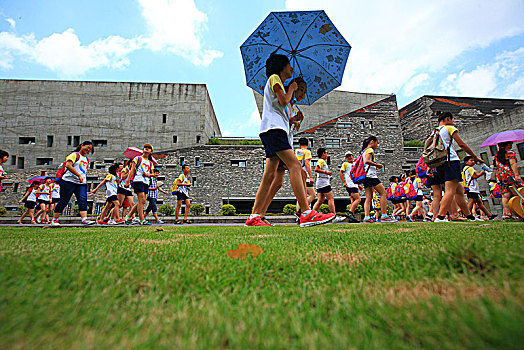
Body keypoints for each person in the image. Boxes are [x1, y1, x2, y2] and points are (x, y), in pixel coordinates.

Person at [245, 51, 334, 227]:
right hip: (274, 130)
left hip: (272, 130)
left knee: (270, 176)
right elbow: (284, 100)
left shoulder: (276, 82)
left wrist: (292, 120)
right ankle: (306, 212)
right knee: (296, 167)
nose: (291, 68)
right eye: (289, 65)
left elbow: (280, 106)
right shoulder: (274, 79)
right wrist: (291, 88)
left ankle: (254, 216)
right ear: (282, 66)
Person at [428, 112, 484, 222]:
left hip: (440, 163)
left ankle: (470, 216)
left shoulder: (434, 131)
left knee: (459, 190)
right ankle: (440, 217)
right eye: (452, 120)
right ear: (448, 118)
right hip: (451, 161)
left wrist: (430, 165)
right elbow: (461, 144)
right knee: (450, 191)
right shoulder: (449, 128)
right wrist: (474, 157)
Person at [51, 141, 96, 226]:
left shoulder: (86, 159)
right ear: (82, 145)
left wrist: (81, 178)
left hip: (81, 183)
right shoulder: (74, 155)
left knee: (83, 200)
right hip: (68, 181)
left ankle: (84, 219)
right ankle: (55, 219)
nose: (88, 150)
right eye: (88, 147)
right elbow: (68, 165)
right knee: (64, 200)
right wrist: (78, 175)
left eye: (90, 149)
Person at [361, 136, 397, 223]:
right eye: (377, 143)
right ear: (372, 142)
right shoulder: (370, 150)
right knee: (383, 193)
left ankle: (367, 217)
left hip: (365, 176)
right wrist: (377, 165)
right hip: (371, 176)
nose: (378, 145)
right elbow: (367, 161)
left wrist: (374, 165)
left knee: (368, 197)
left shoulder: (363, 151)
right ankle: (384, 216)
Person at [124, 144, 155, 225]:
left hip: (146, 182)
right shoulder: (137, 158)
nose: (147, 149)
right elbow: (132, 170)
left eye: (149, 148)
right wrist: (127, 181)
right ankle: (142, 219)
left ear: (151, 152)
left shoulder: (150, 163)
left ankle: (128, 216)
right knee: (140, 200)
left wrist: (147, 175)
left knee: (143, 201)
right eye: (145, 148)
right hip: (138, 180)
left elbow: (153, 175)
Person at [493, 141, 523, 219]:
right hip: (509, 174)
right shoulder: (510, 153)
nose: (511, 144)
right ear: (507, 144)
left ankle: (506, 213)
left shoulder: (497, 154)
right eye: (510, 143)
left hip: (500, 175)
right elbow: (513, 164)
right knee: (517, 191)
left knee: (505, 195)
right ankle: (518, 212)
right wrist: (517, 175)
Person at [462, 156, 496, 220]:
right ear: (466, 162)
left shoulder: (465, 169)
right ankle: (467, 215)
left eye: (473, 161)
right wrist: (482, 173)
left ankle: (489, 215)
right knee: (471, 201)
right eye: (471, 160)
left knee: (479, 202)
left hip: (471, 188)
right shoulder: (470, 168)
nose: (473, 162)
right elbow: (474, 176)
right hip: (472, 188)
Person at [312, 148, 336, 216]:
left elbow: (317, 173)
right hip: (324, 183)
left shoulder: (321, 161)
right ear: (323, 154)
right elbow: (316, 169)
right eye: (326, 153)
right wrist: (326, 172)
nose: (327, 155)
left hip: (320, 183)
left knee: (320, 200)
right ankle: (333, 215)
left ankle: (312, 215)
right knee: (330, 199)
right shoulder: (321, 161)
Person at [340, 150, 362, 223]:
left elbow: (355, 174)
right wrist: (344, 182)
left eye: (350, 156)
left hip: (354, 184)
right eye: (347, 156)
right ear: (346, 158)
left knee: (352, 201)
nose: (349, 157)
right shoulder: (345, 164)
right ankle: (349, 213)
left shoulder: (355, 164)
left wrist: (358, 184)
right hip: (350, 184)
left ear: (352, 156)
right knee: (358, 199)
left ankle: (351, 217)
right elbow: (341, 172)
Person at [295, 137, 315, 214]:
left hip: (298, 175)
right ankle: (301, 210)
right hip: (305, 176)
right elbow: (307, 163)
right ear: (308, 144)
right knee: (312, 195)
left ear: (299, 145)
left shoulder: (297, 152)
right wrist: (310, 176)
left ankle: (298, 213)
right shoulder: (307, 152)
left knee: (300, 196)